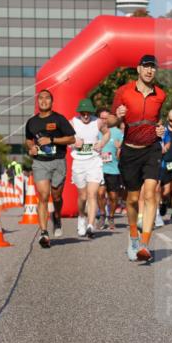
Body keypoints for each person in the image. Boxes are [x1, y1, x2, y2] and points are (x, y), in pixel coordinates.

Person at [110, 54, 167, 262]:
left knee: (151, 193)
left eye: (153, 67)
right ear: (138, 69)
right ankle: (133, 235)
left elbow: (156, 119)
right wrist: (118, 115)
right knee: (133, 199)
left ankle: (145, 244)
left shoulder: (161, 94)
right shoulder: (123, 91)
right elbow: (109, 120)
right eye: (146, 67)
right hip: (130, 151)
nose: (150, 70)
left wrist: (160, 129)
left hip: (151, 149)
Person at [25, 90, 75, 247]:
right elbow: (28, 140)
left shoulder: (59, 119)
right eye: (41, 98)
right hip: (40, 162)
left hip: (58, 161)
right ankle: (44, 233)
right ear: (37, 101)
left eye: (47, 98)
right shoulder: (31, 122)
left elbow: (71, 138)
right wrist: (32, 148)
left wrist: (51, 139)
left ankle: (57, 216)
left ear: (52, 102)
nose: (43, 101)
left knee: (57, 196)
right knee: (43, 196)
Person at [70, 98, 108, 239]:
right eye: (83, 113)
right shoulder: (72, 122)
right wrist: (74, 141)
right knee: (83, 196)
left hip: (94, 161)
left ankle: (91, 225)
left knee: (92, 194)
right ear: (79, 112)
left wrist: (102, 142)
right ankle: (81, 217)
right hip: (79, 162)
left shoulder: (98, 122)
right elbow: (65, 138)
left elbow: (107, 133)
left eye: (88, 113)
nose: (86, 116)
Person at [98, 108, 124, 230]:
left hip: (113, 170)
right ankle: (102, 215)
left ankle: (111, 217)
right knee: (100, 193)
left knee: (113, 196)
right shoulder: (96, 132)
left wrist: (120, 149)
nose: (103, 120)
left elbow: (124, 152)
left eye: (106, 118)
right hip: (99, 169)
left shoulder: (118, 133)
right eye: (101, 118)